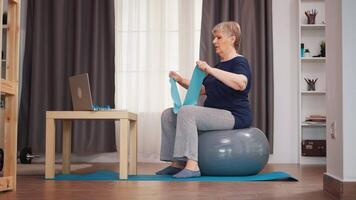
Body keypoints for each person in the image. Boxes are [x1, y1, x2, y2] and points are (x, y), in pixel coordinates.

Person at [156, 21, 252, 178]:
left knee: (187, 112)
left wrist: (209, 69)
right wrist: (180, 79)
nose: (214, 41)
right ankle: (177, 163)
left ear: (232, 39)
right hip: (215, 113)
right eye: (214, 38)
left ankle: (192, 166)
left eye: (219, 37)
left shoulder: (239, 62)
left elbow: (241, 83)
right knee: (168, 114)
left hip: (234, 115)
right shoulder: (219, 67)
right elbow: (202, 90)